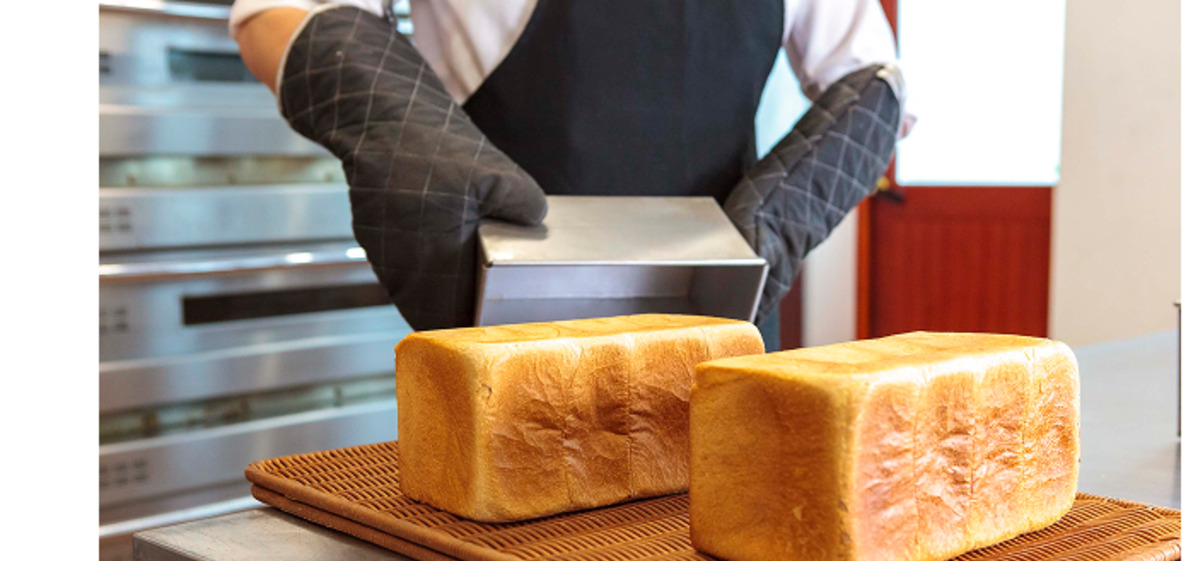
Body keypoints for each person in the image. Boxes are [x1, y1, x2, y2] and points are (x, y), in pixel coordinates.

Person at [230, 0, 910, 351]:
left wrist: (781, 217)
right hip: (501, 320)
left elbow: (874, 78)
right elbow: (276, 14)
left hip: (726, 319)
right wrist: (395, 126)